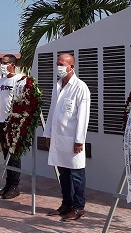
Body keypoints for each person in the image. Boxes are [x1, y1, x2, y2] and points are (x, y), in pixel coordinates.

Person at [44, 53, 91, 221]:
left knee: (77, 175)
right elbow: (52, 113)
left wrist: (79, 140)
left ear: (71, 67)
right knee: (63, 175)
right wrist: (48, 134)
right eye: (57, 63)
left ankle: (79, 207)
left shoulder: (80, 87)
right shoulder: (57, 86)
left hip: (72, 141)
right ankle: (67, 204)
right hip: (58, 139)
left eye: (62, 64)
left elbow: (83, 117)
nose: (58, 67)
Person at [0, 54, 23, 199]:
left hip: (13, 124)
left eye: (4, 63)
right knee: (6, 156)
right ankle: (8, 185)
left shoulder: (20, 80)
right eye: (0, 63)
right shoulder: (1, 81)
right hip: (3, 123)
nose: (1, 65)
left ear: (12, 64)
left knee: (14, 156)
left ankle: (15, 186)